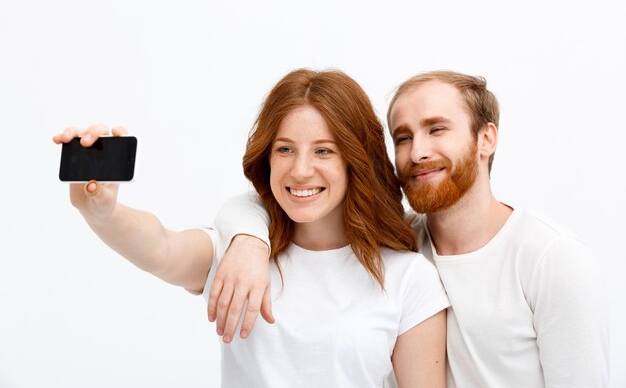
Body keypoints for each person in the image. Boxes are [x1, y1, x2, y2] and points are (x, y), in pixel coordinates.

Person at [208, 70, 610, 388]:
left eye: (437, 129)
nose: (417, 151)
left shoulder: (552, 259)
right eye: (403, 137)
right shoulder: (400, 242)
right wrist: (249, 241)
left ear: (486, 138)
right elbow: (272, 202)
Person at [53, 69, 450, 388]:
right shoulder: (237, 253)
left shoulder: (408, 278)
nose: (300, 170)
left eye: (324, 150)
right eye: (285, 149)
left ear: (355, 161)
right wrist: (103, 211)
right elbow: (161, 247)